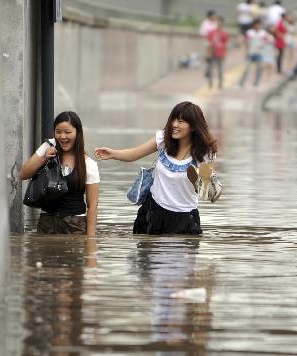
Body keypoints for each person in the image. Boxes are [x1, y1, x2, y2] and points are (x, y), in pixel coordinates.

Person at [94, 101, 220, 235]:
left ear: (193, 127)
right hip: (153, 211)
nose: (174, 125)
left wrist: (199, 181)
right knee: (148, 252)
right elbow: (134, 154)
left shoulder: (205, 153)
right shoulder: (163, 140)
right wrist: (113, 153)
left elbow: (208, 192)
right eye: (173, 119)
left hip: (185, 217)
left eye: (181, 121)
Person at [19, 111, 100, 236]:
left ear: (78, 133)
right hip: (46, 222)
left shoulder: (89, 164)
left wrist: (90, 241)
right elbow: (23, 175)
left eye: (68, 132)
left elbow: (93, 206)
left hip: (75, 224)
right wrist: (44, 158)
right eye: (58, 132)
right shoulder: (48, 146)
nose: (62, 136)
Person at [239, 19, 273, 87]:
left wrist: (262, 47)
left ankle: (256, 83)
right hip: (251, 53)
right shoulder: (249, 32)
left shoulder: (263, 33)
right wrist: (246, 52)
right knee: (247, 69)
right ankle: (242, 83)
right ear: (253, 25)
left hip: (259, 53)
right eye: (256, 25)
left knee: (259, 69)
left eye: (259, 25)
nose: (258, 26)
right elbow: (246, 42)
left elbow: (267, 41)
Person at [206, 16, 229, 89]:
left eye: (221, 22)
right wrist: (208, 52)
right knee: (210, 69)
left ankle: (220, 83)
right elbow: (209, 43)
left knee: (220, 69)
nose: (219, 23)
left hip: (220, 52)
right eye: (218, 21)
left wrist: (225, 53)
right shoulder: (212, 32)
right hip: (212, 52)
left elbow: (225, 44)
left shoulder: (224, 33)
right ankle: (210, 84)